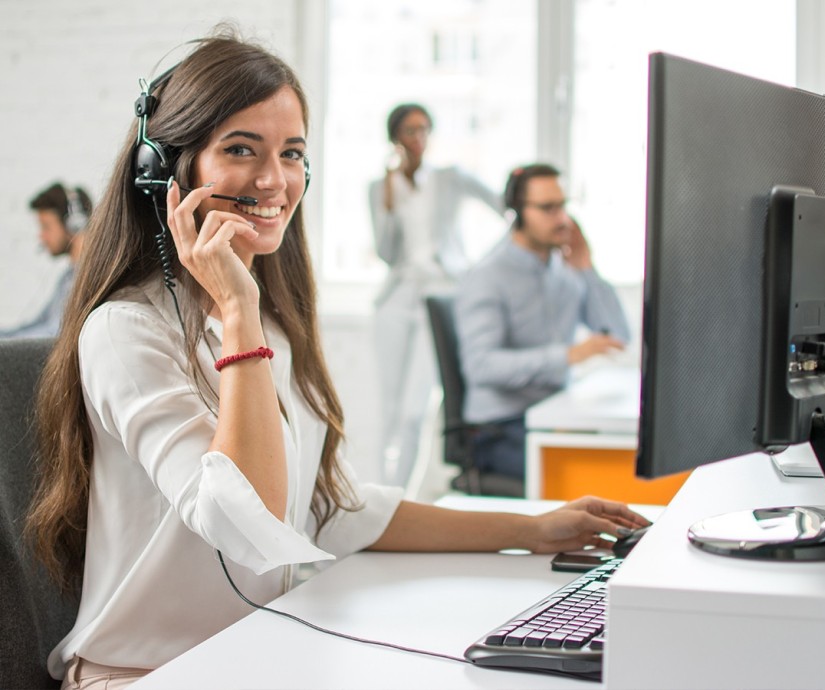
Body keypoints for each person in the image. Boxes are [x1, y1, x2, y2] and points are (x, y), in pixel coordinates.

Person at [24, 30, 649, 689]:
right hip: (145, 674)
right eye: (241, 149)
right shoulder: (126, 332)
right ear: (165, 173)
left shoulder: (269, 322)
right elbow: (250, 524)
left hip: (254, 656)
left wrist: (533, 527)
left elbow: (328, 508)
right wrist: (236, 305)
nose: (274, 180)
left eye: (291, 153)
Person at [455, 163, 632, 481]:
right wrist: (566, 355)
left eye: (563, 206)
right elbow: (480, 366)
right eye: (548, 208)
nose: (562, 219)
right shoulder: (487, 276)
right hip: (500, 428)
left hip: (554, 415)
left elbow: (617, 336)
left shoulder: (565, 271)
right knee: (595, 477)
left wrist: (587, 269)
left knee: (625, 459)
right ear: (517, 212)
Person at [368, 103, 505, 487]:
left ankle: (404, 499)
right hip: (398, 297)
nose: (419, 139)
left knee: (416, 410)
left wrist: (476, 269)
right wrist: (390, 203)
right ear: (395, 138)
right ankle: (381, 495)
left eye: (425, 129)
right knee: (390, 409)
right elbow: (386, 252)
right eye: (411, 131)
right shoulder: (380, 188)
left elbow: (505, 208)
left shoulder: (450, 178)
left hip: (442, 294)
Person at [0, 183, 92, 338]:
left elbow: (52, 334)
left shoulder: (86, 279)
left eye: (46, 227)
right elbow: (38, 325)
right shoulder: (67, 278)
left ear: (75, 224)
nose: (41, 237)